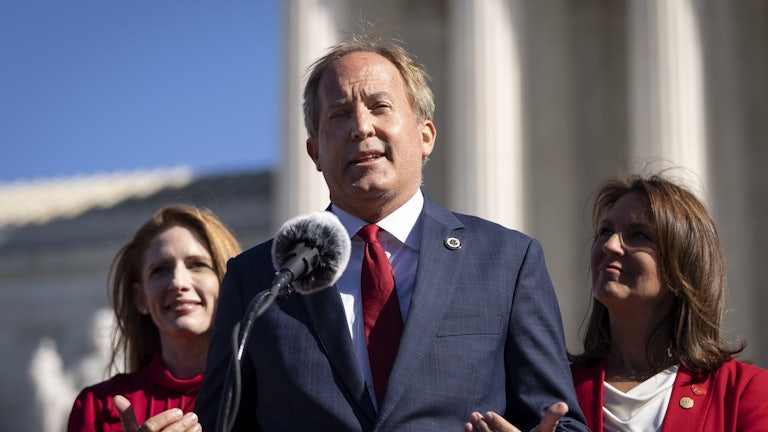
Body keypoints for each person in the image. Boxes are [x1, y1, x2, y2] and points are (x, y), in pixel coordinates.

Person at [195, 33, 588, 432]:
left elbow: (560, 419)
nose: (361, 127)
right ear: (315, 153)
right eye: (339, 114)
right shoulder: (257, 280)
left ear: (425, 136)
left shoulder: (507, 261)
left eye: (379, 107)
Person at [466, 173, 768, 432]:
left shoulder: (746, 392)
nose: (610, 245)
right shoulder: (555, 393)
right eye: (605, 232)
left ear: (684, 264)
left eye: (639, 235)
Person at [67, 204, 242, 432]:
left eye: (197, 265)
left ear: (227, 282)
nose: (178, 282)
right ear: (141, 298)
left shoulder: (265, 393)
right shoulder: (97, 407)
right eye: (160, 270)